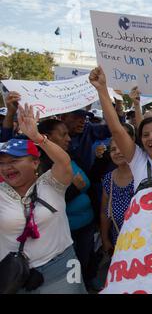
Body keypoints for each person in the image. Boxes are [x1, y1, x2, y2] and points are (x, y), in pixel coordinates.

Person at [0, 103, 85, 294]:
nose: (6, 168)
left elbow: (63, 161)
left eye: (14, 161)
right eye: (2, 163)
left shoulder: (51, 184)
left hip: (62, 267)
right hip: (13, 275)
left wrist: (37, 138)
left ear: (35, 163)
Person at [89, 67, 152, 193]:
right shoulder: (137, 158)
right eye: (145, 135)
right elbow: (116, 129)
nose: (151, 137)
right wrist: (102, 89)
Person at [37, 118, 96, 290]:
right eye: (63, 134)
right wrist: (75, 190)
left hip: (87, 224)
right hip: (68, 232)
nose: (69, 139)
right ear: (46, 137)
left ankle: (88, 284)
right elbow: (47, 202)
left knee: (86, 261)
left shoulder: (72, 156)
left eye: (68, 134)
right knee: (73, 269)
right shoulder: (41, 166)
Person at [100, 131, 135, 254]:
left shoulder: (143, 174)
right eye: (113, 149)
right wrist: (105, 240)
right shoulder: (109, 179)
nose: (117, 152)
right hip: (120, 244)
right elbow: (105, 213)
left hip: (146, 242)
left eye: (121, 147)